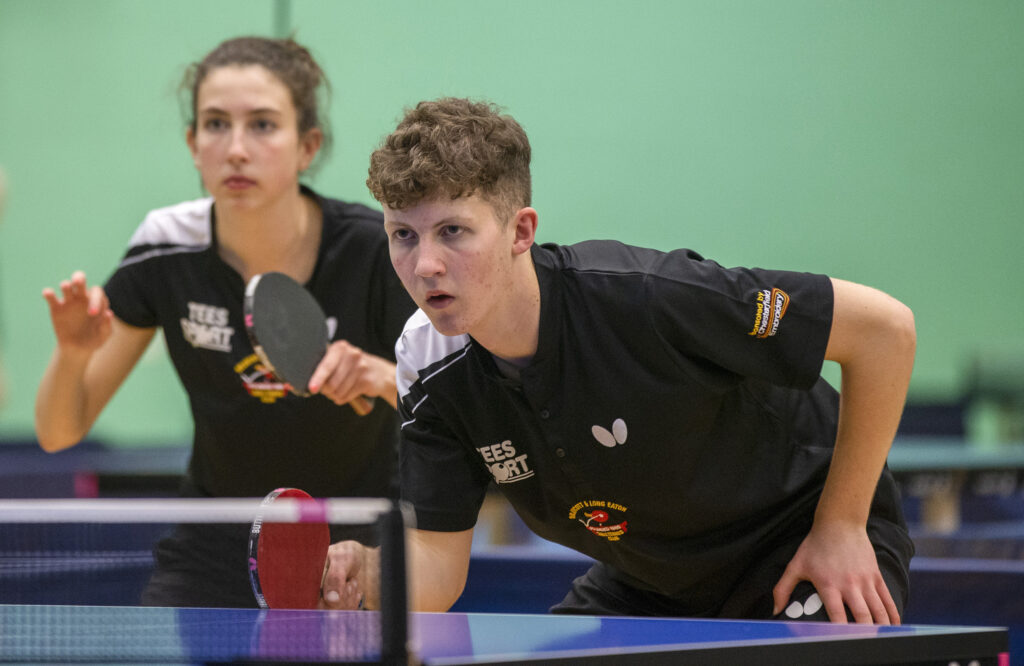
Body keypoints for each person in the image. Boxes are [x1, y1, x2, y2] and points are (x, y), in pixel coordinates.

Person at [322, 97, 916, 625]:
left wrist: (841, 526)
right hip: (652, 581)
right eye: (403, 235)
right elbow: (437, 566)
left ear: (520, 232)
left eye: (453, 231)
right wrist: (372, 572)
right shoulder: (428, 363)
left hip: (798, 539)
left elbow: (885, 332)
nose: (425, 265)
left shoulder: (648, 298)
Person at [34, 37, 414, 608]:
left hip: (354, 545)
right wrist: (72, 354)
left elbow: (456, 408)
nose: (236, 149)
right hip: (214, 547)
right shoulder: (165, 247)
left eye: (263, 125)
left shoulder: (374, 251)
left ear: (307, 146)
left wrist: (380, 376)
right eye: (215, 124)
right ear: (193, 145)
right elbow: (59, 432)